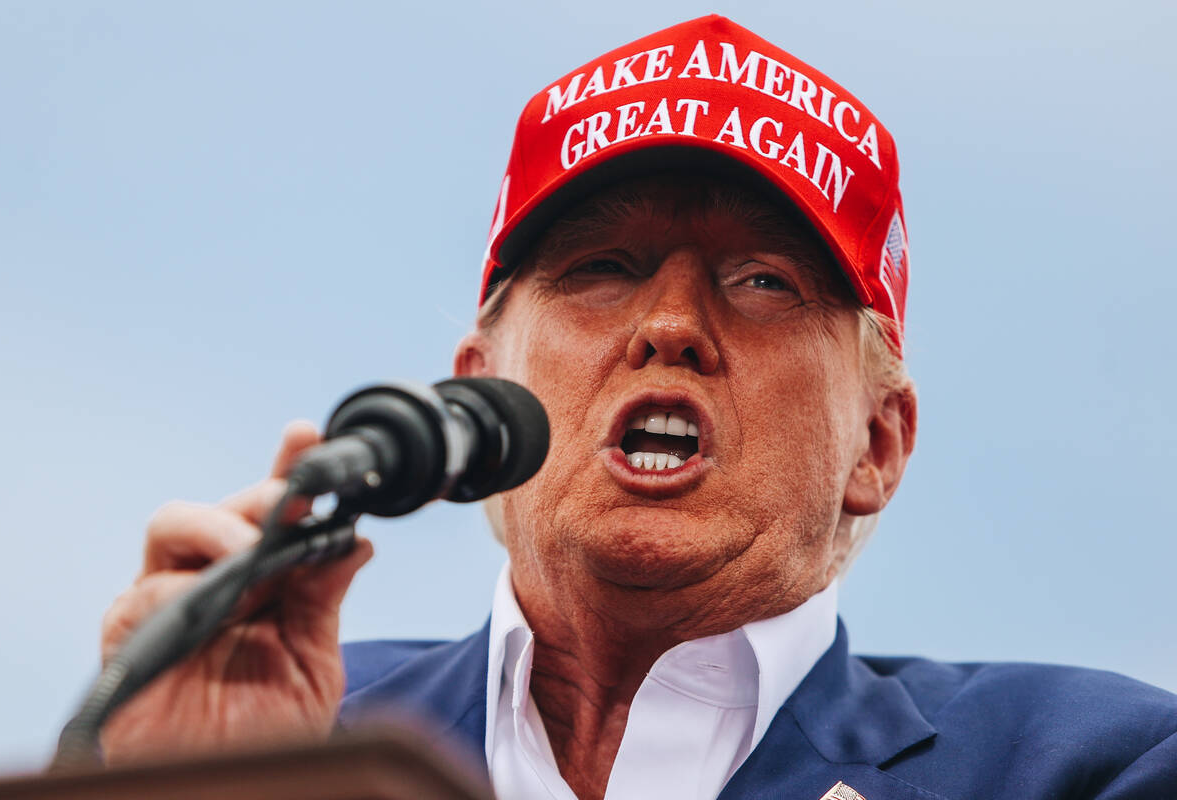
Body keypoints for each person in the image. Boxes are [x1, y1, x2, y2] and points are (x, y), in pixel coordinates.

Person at [99, 15, 1177, 800]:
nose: (669, 322)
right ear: (477, 395)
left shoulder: (1089, 765)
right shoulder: (292, 738)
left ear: (878, 441)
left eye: (762, 279)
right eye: (603, 266)